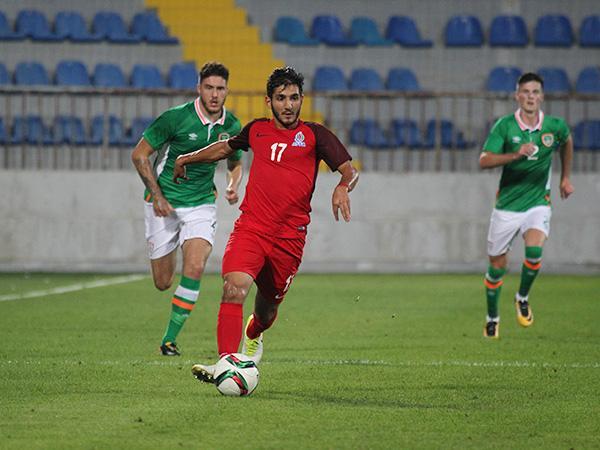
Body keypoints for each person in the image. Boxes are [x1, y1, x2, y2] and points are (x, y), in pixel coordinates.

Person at [171, 66, 359, 382]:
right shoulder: (256, 129)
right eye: (281, 98)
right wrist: (185, 158)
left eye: (294, 98)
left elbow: (350, 171)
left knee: (267, 311)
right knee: (233, 287)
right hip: (252, 228)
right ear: (268, 101)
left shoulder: (316, 135)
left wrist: (342, 186)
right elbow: (224, 148)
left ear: (302, 99)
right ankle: (226, 362)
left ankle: (254, 332)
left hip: (289, 239)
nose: (288, 105)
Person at [131, 62, 243, 356]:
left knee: (195, 266)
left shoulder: (232, 126)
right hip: (163, 205)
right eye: (209, 87)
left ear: (227, 90)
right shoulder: (175, 118)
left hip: (201, 204)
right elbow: (139, 154)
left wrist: (232, 185)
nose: (214, 94)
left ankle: (169, 340)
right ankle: (168, 254)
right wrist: (157, 196)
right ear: (199, 88)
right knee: (163, 282)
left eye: (220, 88)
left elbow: (235, 163)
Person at [479, 72, 574, 338]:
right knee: (496, 268)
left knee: (534, 250)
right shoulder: (505, 126)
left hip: (538, 202)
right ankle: (492, 318)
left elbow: (567, 141)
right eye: (526, 92)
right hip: (507, 206)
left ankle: (522, 297)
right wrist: (515, 155)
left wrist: (565, 178)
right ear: (517, 96)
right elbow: (484, 160)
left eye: (535, 92)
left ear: (542, 97)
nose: (530, 97)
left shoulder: (554, 126)